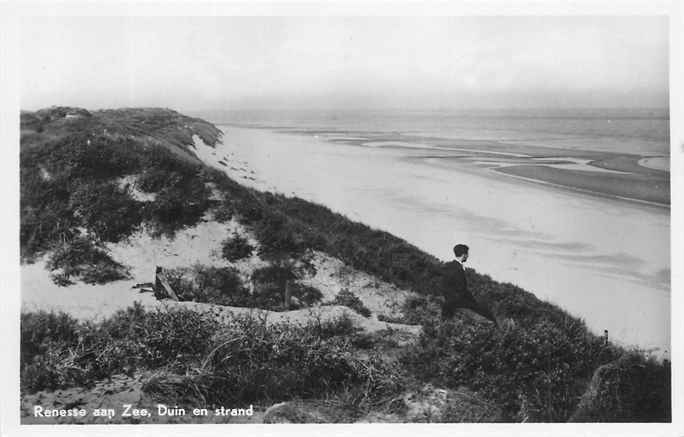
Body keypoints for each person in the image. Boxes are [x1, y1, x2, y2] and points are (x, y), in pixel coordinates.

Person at [440, 244, 498, 326]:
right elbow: (462, 290)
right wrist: (472, 302)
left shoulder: (449, 266)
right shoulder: (458, 269)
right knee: (487, 314)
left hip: (448, 300)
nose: (468, 256)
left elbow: (446, 286)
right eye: (467, 254)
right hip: (458, 302)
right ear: (464, 255)